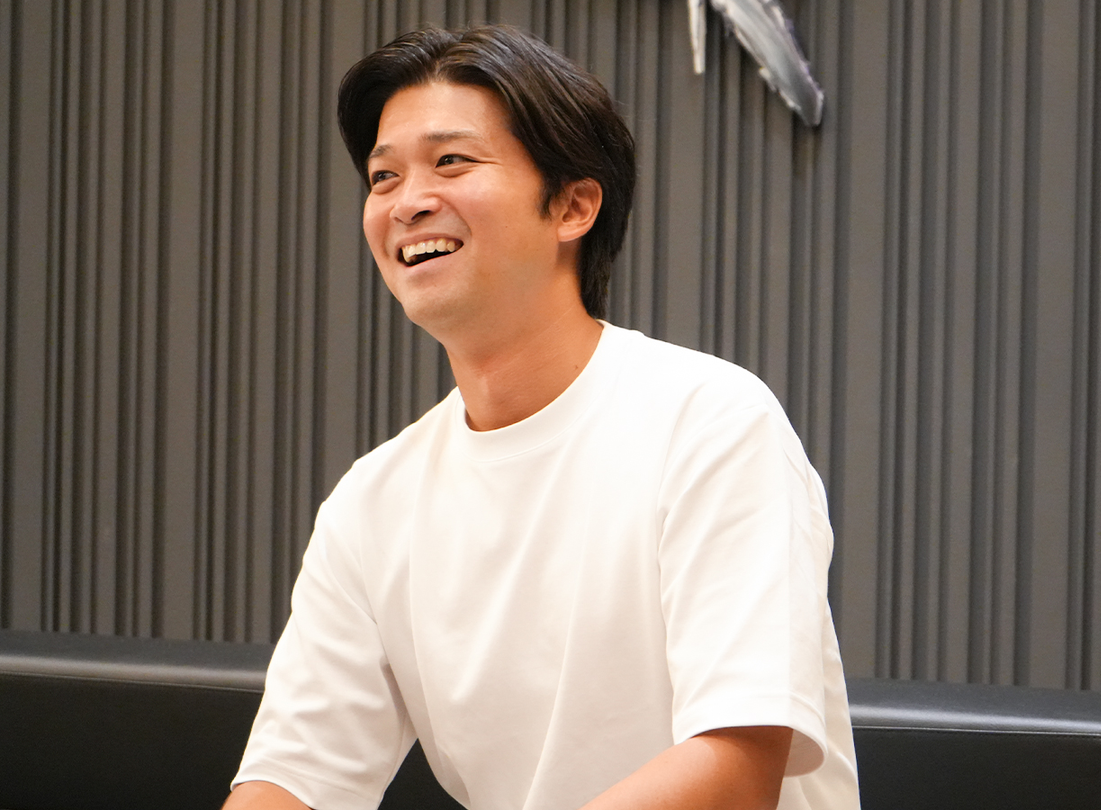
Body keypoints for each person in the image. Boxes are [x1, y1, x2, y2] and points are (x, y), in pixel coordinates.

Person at [225, 24, 859, 810]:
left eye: (451, 162)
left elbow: (734, 768)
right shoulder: (371, 501)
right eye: (384, 176)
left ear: (572, 205)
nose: (408, 202)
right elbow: (292, 779)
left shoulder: (710, 423)